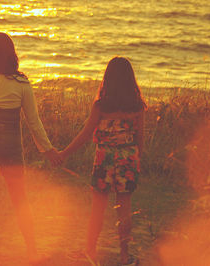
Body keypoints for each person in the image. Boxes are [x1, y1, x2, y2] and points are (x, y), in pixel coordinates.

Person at [0, 32, 60, 264]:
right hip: (11, 148)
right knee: (20, 199)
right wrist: (49, 150)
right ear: (11, 54)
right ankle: (32, 252)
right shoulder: (21, 84)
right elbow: (34, 123)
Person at [60, 56, 146, 265]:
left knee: (97, 209)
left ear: (107, 79)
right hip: (128, 158)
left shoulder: (101, 106)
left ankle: (90, 251)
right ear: (130, 79)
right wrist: (137, 161)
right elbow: (140, 138)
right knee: (124, 208)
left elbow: (86, 133)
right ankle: (125, 255)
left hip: (104, 159)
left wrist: (64, 153)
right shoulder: (137, 106)